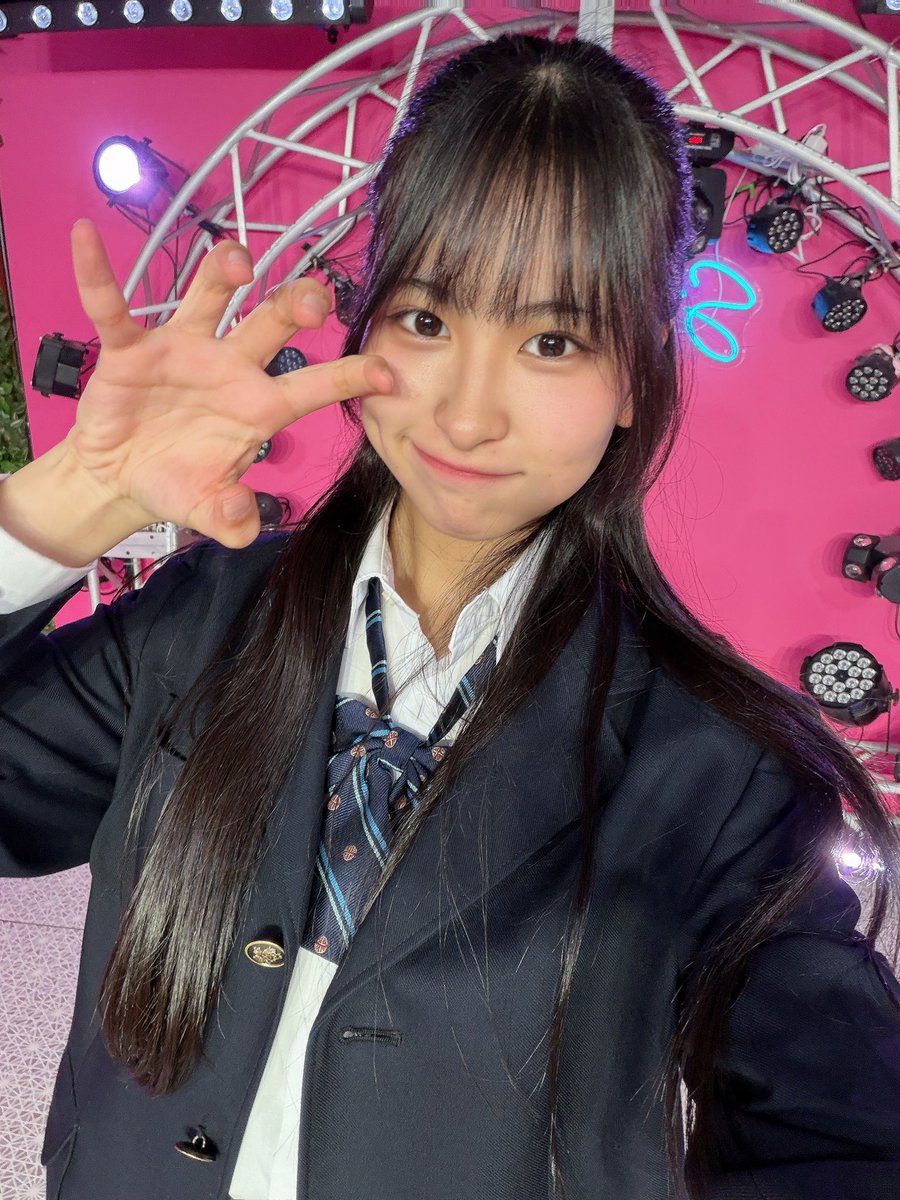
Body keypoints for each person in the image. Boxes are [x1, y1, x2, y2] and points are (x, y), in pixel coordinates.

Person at [1, 31, 899, 1200]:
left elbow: (843, 1138)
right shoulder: (203, 615)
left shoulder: (713, 766)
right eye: (428, 320)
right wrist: (53, 510)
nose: (468, 416)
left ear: (637, 375)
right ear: (368, 323)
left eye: (552, 341)